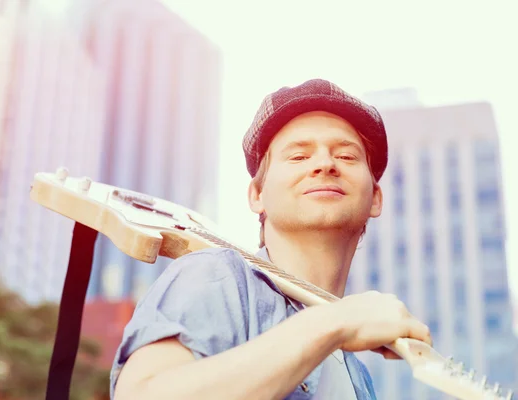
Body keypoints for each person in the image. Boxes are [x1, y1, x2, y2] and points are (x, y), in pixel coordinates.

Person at [109, 79, 432, 400]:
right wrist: (335, 322)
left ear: (376, 198)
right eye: (298, 157)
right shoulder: (216, 275)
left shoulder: (358, 376)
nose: (324, 164)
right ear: (257, 195)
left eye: (346, 156)